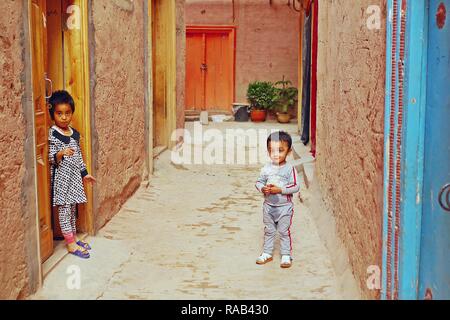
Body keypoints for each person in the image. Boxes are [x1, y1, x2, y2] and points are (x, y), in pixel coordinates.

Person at [48, 90, 96, 259]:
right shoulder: (52, 133)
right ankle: (69, 243)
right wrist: (61, 153)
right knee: (64, 210)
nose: (63, 117)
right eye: (59, 113)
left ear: (72, 113)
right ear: (52, 114)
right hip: (62, 179)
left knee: (72, 210)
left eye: (67, 113)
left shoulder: (74, 134)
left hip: (74, 178)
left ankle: (73, 237)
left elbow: (79, 157)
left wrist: (85, 174)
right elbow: (50, 158)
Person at [255, 131, 300, 268]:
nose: (275, 154)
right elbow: (258, 182)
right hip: (268, 206)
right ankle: (267, 253)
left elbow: (296, 186)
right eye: (271, 150)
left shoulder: (290, 169)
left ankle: (286, 255)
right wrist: (263, 188)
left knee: (283, 231)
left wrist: (279, 190)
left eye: (280, 150)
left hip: (284, 207)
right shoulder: (266, 168)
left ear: (289, 151)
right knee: (269, 230)